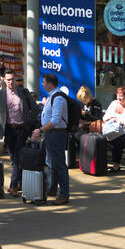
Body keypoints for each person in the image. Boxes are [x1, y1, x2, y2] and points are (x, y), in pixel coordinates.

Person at [0, 70, 37, 195]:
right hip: (8, 129)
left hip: (22, 128)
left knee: (17, 158)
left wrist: (33, 126)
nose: (10, 82)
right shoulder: (0, 94)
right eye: (8, 80)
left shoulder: (23, 92)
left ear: (16, 79)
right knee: (13, 158)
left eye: (12, 79)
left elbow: (34, 108)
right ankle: (20, 182)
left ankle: (13, 186)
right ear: (4, 80)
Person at [34, 72, 71, 205]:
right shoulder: (51, 97)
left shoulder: (58, 98)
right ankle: (52, 188)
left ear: (50, 84)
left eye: (44, 82)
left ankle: (64, 194)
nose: (42, 84)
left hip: (57, 134)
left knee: (59, 164)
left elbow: (55, 120)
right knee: (51, 162)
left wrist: (41, 130)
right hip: (52, 134)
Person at [101, 85, 125, 171]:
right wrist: (110, 119)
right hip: (110, 129)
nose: (119, 98)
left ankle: (116, 164)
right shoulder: (114, 103)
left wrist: (122, 123)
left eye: (122, 96)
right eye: (118, 95)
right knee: (100, 138)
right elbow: (104, 117)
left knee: (117, 139)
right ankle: (101, 163)